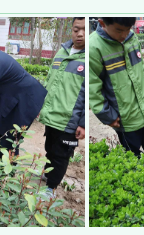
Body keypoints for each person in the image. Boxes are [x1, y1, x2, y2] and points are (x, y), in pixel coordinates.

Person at [90, 17, 144, 171]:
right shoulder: (94, 47)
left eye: (128, 28)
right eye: (119, 30)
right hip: (123, 115)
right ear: (103, 23)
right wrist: (107, 115)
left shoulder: (131, 38)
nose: (124, 34)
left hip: (142, 107)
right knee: (132, 150)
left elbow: (140, 66)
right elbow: (92, 88)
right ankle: (141, 177)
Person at [37, 17, 86, 198]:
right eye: (76, 29)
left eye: (83, 30)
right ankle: (49, 174)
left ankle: (51, 187)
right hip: (52, 115)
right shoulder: (62, 52)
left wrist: (83, 123)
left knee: (61, 154)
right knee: (50, 147)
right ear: (71, 30)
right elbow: (49, 81)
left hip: (69, 120)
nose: (79, 34)